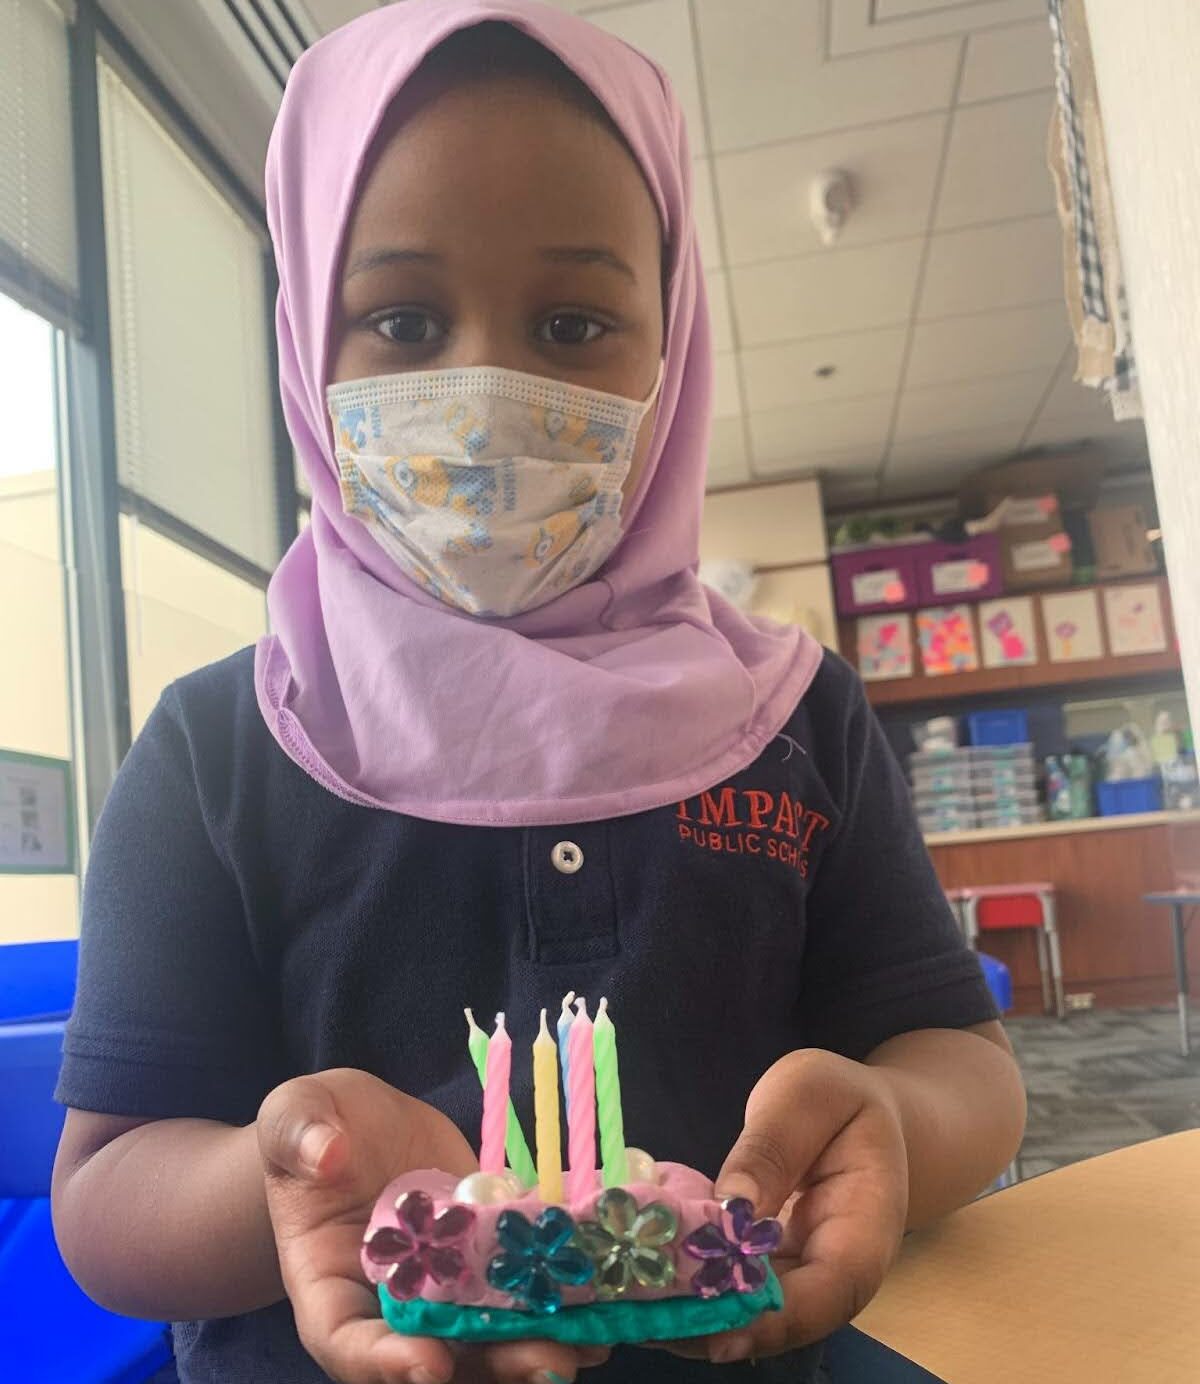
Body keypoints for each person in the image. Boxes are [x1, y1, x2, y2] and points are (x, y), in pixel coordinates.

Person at [50, 4, 1026, 1383]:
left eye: (573, 323)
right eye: (398, 318)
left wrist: (893, 1120)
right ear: (304, 344)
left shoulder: (793, 720)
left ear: (671, 345)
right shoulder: (220, 749)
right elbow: (103, 1199)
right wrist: (288, 1167)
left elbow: (963, 1064)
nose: (488, 389)